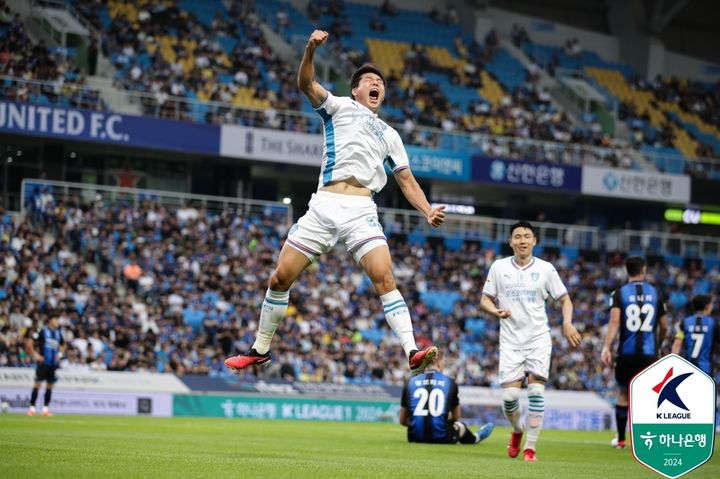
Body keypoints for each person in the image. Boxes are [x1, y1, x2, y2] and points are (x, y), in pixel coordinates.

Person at [225, 30, 446, 376]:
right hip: (324, 205)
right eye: (368, 80)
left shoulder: (391, 135)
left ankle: (413, 350)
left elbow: (406, 179)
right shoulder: (339, 106)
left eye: (380, 82)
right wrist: (310, 49)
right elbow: (306, 84)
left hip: (361, 211)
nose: (376, 84)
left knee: (384, 277)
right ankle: (260, 350)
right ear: (356, 89)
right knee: (280, 278)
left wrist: (427, 208)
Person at [480, 221, 581, 462]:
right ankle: (517, 430)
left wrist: (567, 323)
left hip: (538, 339)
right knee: (509, 399)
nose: (523, 240)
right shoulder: (498, 267)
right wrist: (495, 311)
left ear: (534, 241)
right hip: (510, 342)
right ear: (511, 241)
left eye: (527, 236)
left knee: (536, 391)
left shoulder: (546, 269)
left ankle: (530, 449)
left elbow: (565, 299)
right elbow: (484, 299)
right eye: (518, 236)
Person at [601, 256, 668, 449]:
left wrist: (607, 346)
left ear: (626, 270)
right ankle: (648, 441)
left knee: (623, 394)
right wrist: (659, 343)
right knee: (649, 396)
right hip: (649, 354)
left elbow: (614, 322)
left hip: (626, 354)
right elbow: (664, 326)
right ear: (644, 270)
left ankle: (621, 439)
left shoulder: (619, 293)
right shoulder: (656, 293)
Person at [400, 350, 494, 444]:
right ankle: (475, 438)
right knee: (460, 425)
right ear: (440, 364)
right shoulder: (449, 382)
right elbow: (456, 417)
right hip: (441, 437)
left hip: (414, 437)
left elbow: (402, 420)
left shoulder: (410, 382)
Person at [24, 311, 65, 416]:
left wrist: (60, 354)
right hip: (43, 363)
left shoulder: (58, 333)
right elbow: (30, 342)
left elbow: (63, 344)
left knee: (49, 386)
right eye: (56, 320)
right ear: (50, 320)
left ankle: (45, 409)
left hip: (53, 364)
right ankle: (32, 408)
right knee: (37, 384)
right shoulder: (42, 331)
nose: (57, 322)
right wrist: (36, 355)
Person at [671, 294, 718, 376]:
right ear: (707, 306)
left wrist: (671, 364)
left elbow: (677, 344)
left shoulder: (684, 322)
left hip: (688, 370)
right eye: (711, 305)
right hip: (706, 370)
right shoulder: (713, 323)